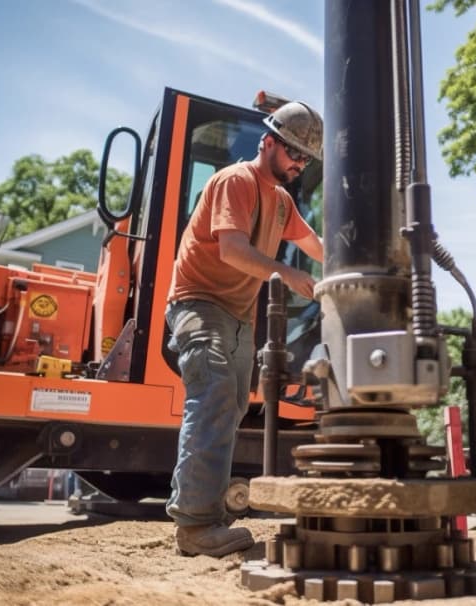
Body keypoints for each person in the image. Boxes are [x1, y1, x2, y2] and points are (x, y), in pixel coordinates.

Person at [165, 101, 324, 557]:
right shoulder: (238, 181)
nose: (299, 164)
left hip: (238, 316)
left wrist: (343, 270)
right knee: (213, 396)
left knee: (230, 408)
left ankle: (203, 513)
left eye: (305, 159)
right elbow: (232, 250)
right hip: (200, 303)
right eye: (293, 153)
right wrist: (289, 275)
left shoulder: (281, 200)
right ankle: (195, 527)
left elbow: (311, 242)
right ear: (268, 141)